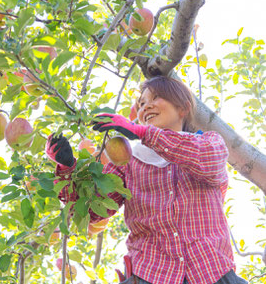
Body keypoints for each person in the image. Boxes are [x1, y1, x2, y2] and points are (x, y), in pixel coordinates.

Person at [45, 76, 247, 284]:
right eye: (141, 104)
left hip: (213, 272)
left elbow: (209, 161)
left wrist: (143, 133)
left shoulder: (208, 143)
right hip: (150, 274)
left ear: (183, 108)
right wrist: (67, 167)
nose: (146, 106)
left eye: (156, 97)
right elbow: (92, 211)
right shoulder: (128, 162)